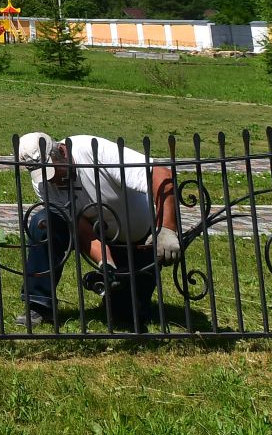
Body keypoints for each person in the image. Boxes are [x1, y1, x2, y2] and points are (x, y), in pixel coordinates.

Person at [14, 132, 182, 331]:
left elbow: (159, 174)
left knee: (126, 315)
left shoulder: (94, 150)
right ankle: (38, 304)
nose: (53, 181)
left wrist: (167, 230)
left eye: (54, 171)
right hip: (102, 234)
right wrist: (105, 262)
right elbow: (78, 223)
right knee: (44, 222)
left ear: (62, 151)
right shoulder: (42, 181)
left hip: (140, 241)